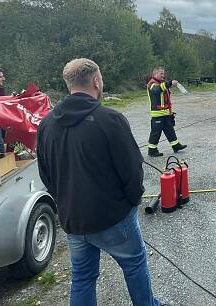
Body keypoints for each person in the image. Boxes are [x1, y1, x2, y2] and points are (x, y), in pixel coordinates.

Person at [37, 58, 161, 306]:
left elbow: (46, 175)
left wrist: (66, 203)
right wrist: (131, 201)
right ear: (96, 81)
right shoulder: (110, 120)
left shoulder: (46, 125)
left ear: (69, 84)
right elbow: (132, 170)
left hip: (74, 220)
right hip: (113, 217)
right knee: (134, 264)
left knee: (82, 277)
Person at [146, 67, 187, 157]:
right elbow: (157, 90)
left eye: (163, 73)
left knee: (170, 130)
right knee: (156, 133)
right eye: (161, 73)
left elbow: (164, 91)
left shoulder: (161, 83)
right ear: (155, 74)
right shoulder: (151, 83)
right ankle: (152, 150)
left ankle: (176, 146)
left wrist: (171, 85)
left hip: (165, 113)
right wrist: (169, 83)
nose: (163, 75)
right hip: (157, 114)